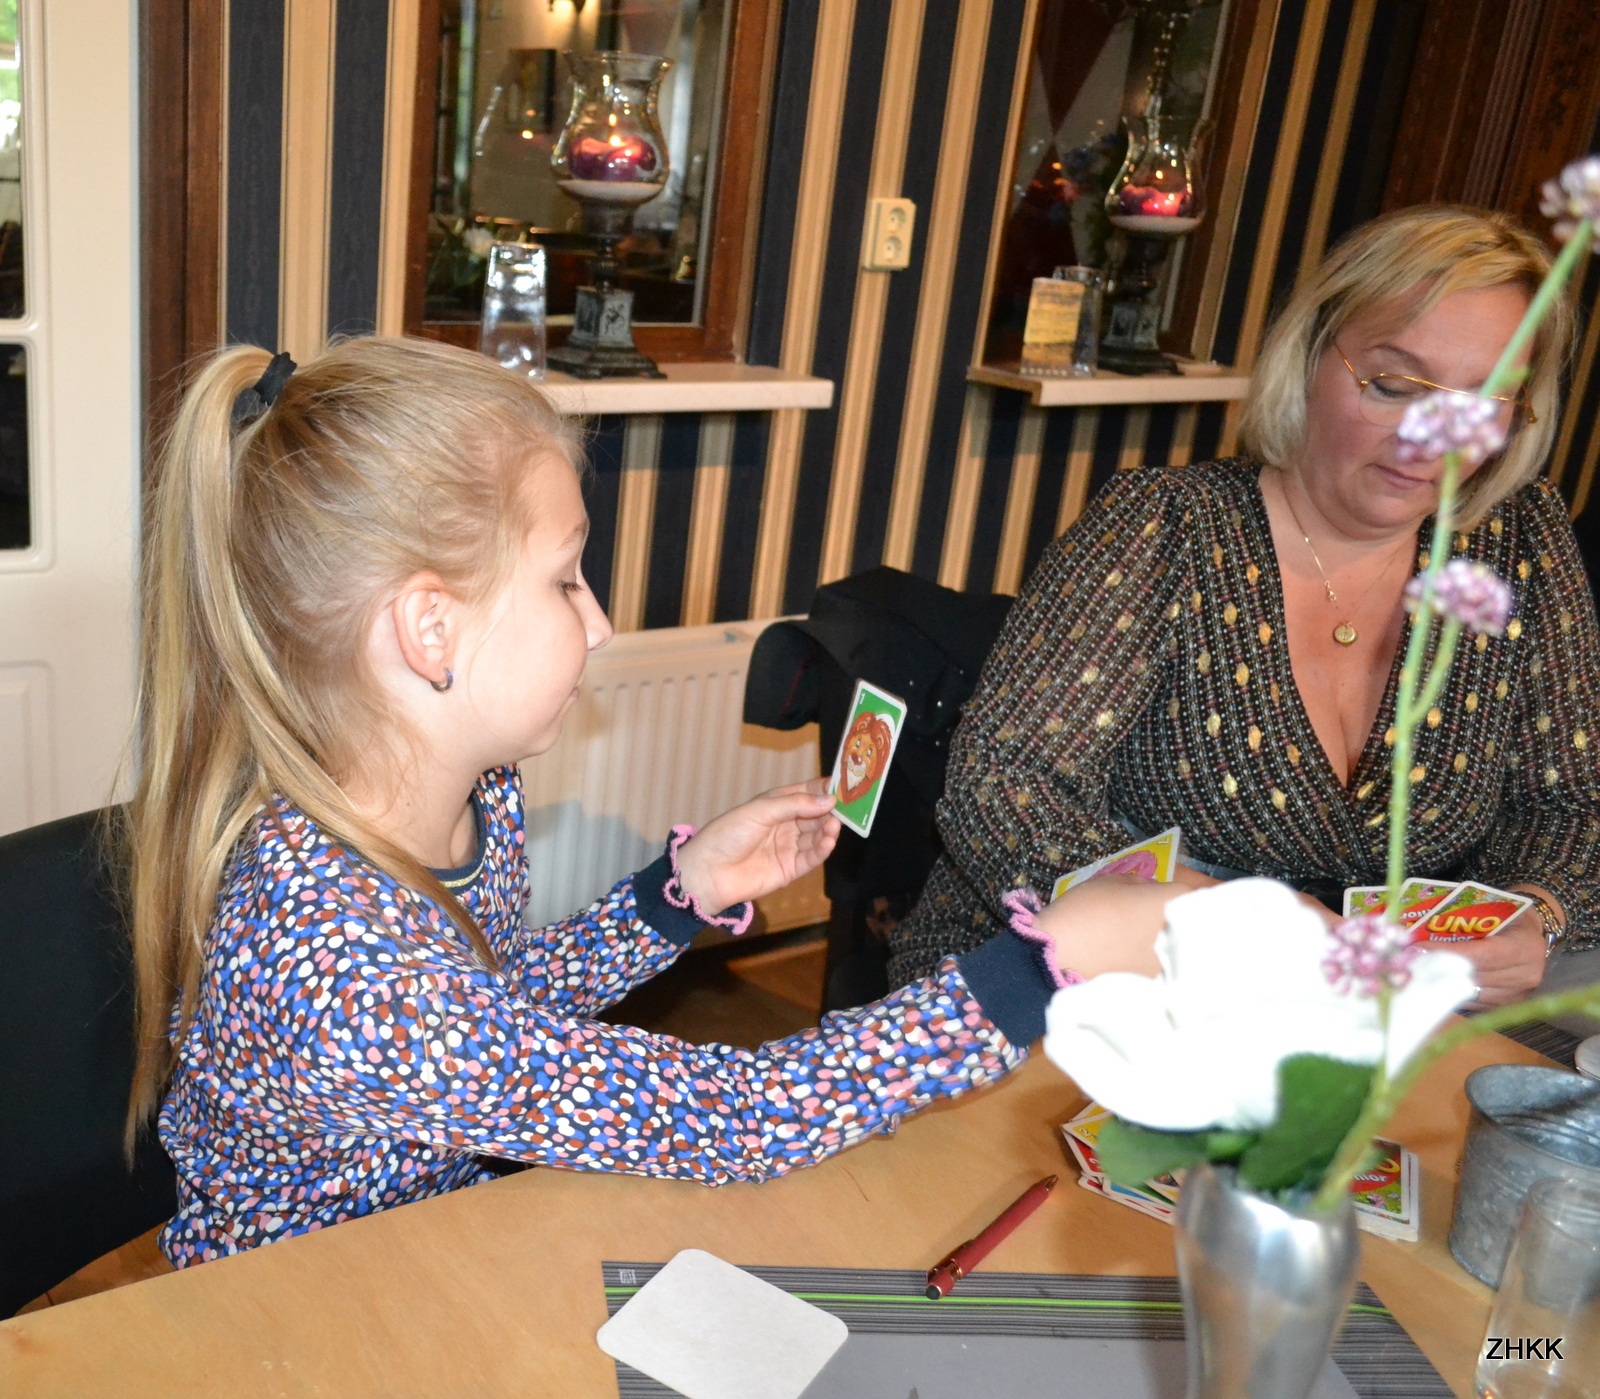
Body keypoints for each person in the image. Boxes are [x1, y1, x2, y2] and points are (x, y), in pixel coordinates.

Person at [126, 338, 1178, 1267]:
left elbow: (488, 1021)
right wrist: (1036, 968)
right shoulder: (334, 963)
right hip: (293, 1310)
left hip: (431, 1240)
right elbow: (733, 1118)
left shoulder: (476, 789)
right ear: (429, 628)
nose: (599, 623)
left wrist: (675, 895)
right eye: (564, 580)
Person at [890, 205, 1600, 1010]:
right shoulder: (1166, 526)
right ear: (1309, 357)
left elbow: (1571, 803)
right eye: (1395, 385)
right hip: (1090, 987)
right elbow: (1004, 784)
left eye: (1487, 400)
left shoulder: (1521, 540)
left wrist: (1541, 912)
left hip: (1358, 1017)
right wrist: (1209, 922)